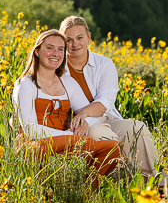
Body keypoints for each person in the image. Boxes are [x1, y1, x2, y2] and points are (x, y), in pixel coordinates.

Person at [58, 16, 164, 185]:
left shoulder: (104, 64)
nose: (74, 44)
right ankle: (124, 181)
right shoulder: (57, 67)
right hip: (73, 125)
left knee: (137, 128)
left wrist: (84, 114)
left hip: (104, 118)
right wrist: (81, 120)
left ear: (89, 37)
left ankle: (156, 182)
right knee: (100, 134)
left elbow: (105, 101)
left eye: (79, 38)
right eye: (68, 40)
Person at [12, 29, 122, 188]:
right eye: (49, 48)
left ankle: (82, 192)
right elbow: (30, 129)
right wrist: (69, 135)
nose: (55, 53)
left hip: (69, 142)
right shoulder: (26, 84)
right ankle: (57, 185)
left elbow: (88, 111)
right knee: (86, 145)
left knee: (111, 149)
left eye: (60, 49)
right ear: (37, 52)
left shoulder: (67, 82)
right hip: (35, 143)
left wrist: (83, 120)